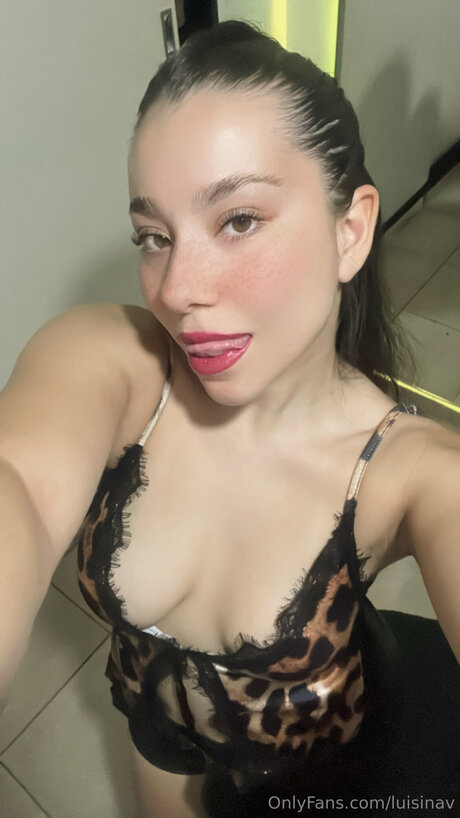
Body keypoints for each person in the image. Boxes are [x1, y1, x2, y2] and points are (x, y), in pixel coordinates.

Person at [1, 20, 459, 818]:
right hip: (161, 739)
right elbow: (20, 488)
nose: (177, 288)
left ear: (350, 231)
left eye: (238, 220)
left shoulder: (412, 472)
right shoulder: (116, 364)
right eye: (153, 236)